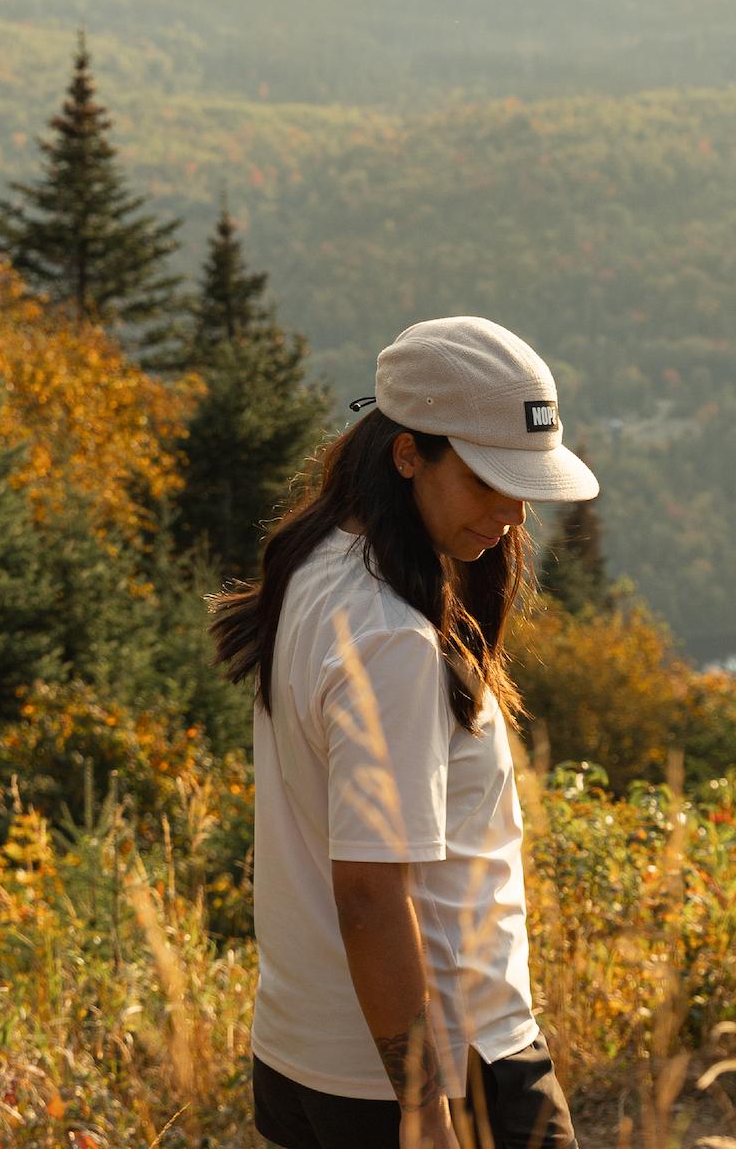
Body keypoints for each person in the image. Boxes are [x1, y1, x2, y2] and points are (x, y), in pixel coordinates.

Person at [211, 317, 597, 1149]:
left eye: (523, 481)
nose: (513, 509)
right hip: (446, 1069)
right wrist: (427, 1111)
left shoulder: (319, 569)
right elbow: (369, 894)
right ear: (408, 453)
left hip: (300, 1056)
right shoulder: (392, 639)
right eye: (490, 480)